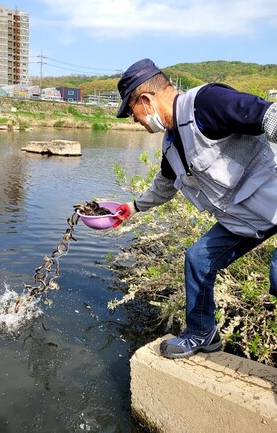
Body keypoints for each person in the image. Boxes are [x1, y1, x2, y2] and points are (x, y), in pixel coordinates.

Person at [114, 58, 277, 359]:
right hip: (245, 220)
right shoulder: (172, 143)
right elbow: (164, 185)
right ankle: (203, 333)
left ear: (146, 100)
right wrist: (131, 208)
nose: (135, 120)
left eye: (132, 112)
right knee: (199, 259)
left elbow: (270, 116)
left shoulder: (206, 103)